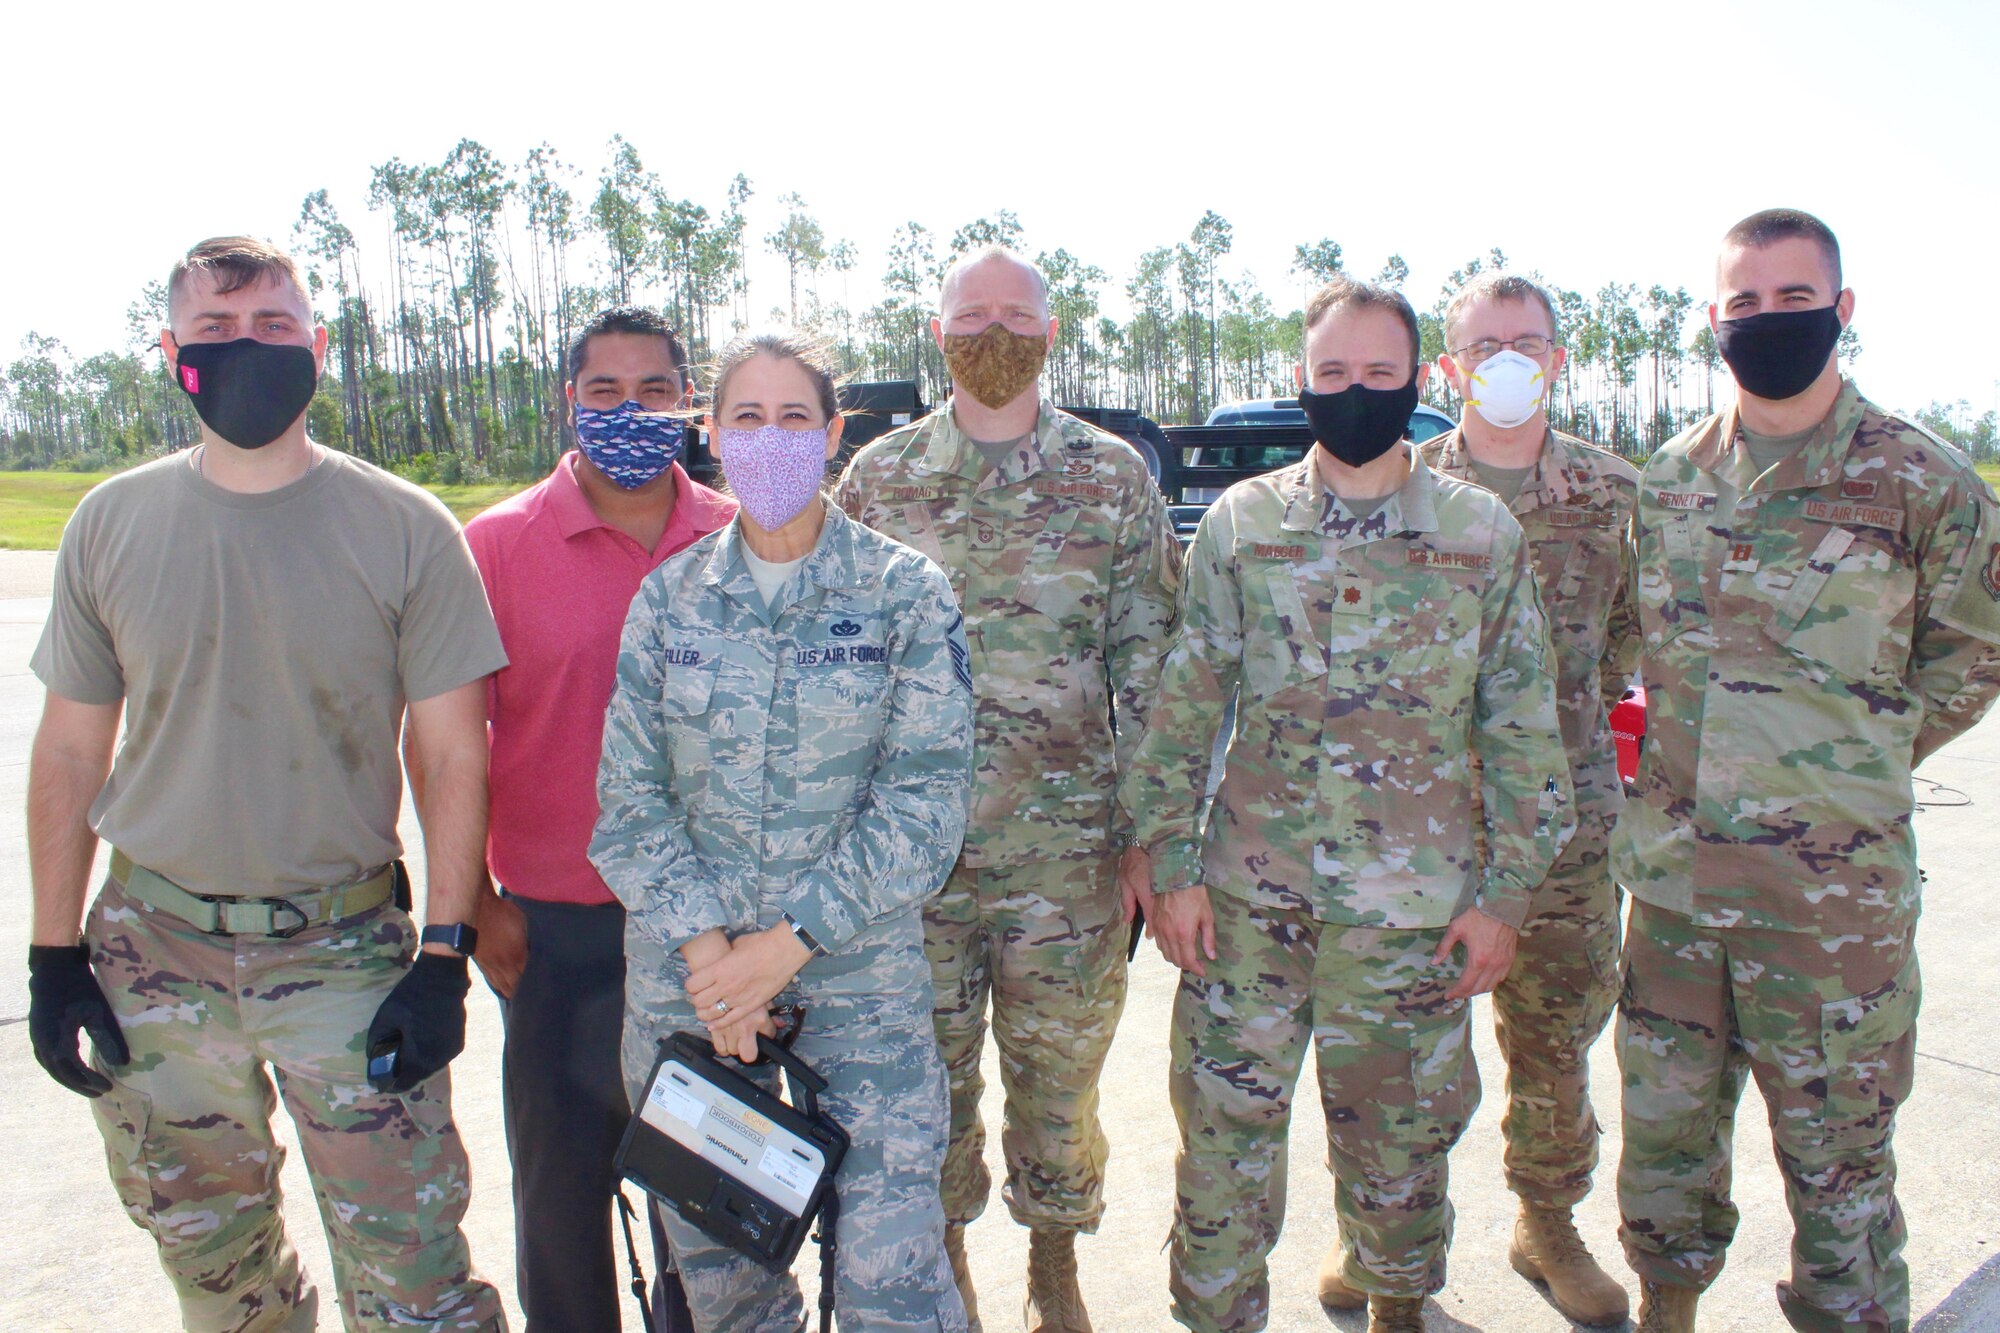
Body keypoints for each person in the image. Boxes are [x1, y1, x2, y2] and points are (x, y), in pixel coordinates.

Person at [23, 236, 508, 1331]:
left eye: (274, 327)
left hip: (346, 952)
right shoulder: (110, 523)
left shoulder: (405, 527)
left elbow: (448, 755)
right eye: (217, 330)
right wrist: (54, 955)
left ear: (319, 348)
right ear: (170, 350)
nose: (248, 349)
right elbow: (67, 755)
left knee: (415, 1275)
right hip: (156, 953)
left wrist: (443, 955)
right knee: (220, 1277)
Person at [1124, 276, 1573, 1333]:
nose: (1354, 390)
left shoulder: (1477, 534)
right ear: (1301, 382)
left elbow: (1520, 729)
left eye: (1378, 373)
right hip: (1245, 913)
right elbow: (1184, 709)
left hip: (1410, 923)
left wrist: (1504, 898)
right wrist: (1172, 870)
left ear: (1415, 380)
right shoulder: (1241, 525)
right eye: (1332, 373)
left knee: (1401, 1157)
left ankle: (1395, 1311)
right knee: (1223, 1155)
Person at [1614, 209, 2000, 1333]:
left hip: (1831, 911)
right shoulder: (1671, 480)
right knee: (1664, 1152)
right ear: (1711, 320)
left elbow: (1979, 644)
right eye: (1742, 303)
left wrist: (1862, 753)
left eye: (1793, 300)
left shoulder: (1915, 480)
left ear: (1840, 311)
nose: (1765, 321)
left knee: (1839, 1174)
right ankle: (1665, 1310)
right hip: (1678, 900)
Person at [590, 331, 974, 1332]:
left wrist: (783, 945)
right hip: (693, 999)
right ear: (711, 435)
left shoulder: (903, 594)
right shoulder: (667, 601)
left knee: (895, 1291)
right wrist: (715, 962)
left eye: (794, 417)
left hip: (859, 998)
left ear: (834, 434)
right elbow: (628, 803)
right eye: (746, 417)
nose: (769, 439)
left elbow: (925, 802)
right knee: (730, 1299)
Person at [835, 247, 1181, 1332]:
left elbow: (1151, 671)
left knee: (1057, 1087)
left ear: (1048, 332)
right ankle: (947, 1271)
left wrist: (1149, 843)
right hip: (909, 868)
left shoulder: (1110, 477)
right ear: (936, 334)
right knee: (922, 1090)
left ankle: (1053, 1268)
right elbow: (835, 666)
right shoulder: (876, 481)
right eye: (971, 314)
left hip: (1066, 864)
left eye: (1015, 316)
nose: (994, 332)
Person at [462, 305, 734, 1329]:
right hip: (556, 933)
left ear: (687, 402)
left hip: (709, 937)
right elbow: (447, 748)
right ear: (568, 400)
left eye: (654, 390)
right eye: (605, 391)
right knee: (562, 1207)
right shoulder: (493, 545)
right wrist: (472, 907)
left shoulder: (739, 534)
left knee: (708, 1209)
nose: (631, 410)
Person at [1415, 272, 1639, 1325]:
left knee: (1554, 1035)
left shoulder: (1611, 493)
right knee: (1400, 1045)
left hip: (1567, 829)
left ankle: (1544, 1223)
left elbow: (1629, 642)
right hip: (1422, 830)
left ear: (1556, 359)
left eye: (1527, 341)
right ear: (1446, 366)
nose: (1505, 358)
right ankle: (1384, 1231)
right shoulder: (1398, 486)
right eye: (1482, 342)